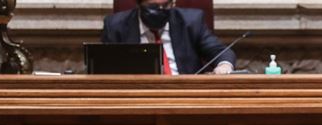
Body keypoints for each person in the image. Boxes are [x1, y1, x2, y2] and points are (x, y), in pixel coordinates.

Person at [101, 0, 235, 75]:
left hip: (185, 96)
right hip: (137, 98)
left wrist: (223, 66)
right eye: (153, 7)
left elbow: (220, 52)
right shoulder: (116, 26)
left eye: (166, 5)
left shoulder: (191, 21)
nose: (161, 10)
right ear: (139, 5)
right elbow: (104, 69)